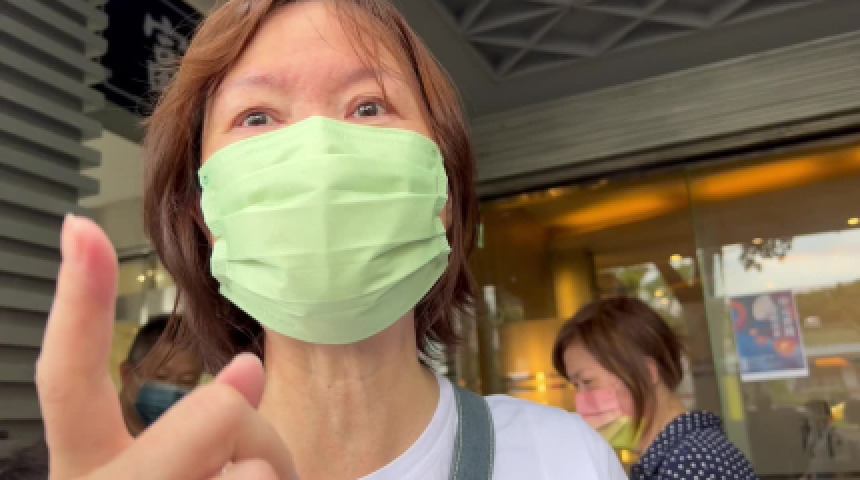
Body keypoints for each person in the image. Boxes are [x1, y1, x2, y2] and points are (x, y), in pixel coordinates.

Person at [35, 1, 627, 479]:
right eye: (257, 117)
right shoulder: (174, 472)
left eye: (369, 107)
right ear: (202, 209)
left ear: (442, 191)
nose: (318, 153)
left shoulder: (565, 459)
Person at [553, 297, 758, 479]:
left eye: (587, 381)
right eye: (575, 385)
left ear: (648, 372)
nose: (580, 401)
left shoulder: (690, 463)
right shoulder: (683, 455)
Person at [118, 315, 204, 436]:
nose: (172, 390)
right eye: (161, 377)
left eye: (187, 381)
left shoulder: (196, 440)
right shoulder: (93, 432)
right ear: (126, 374)